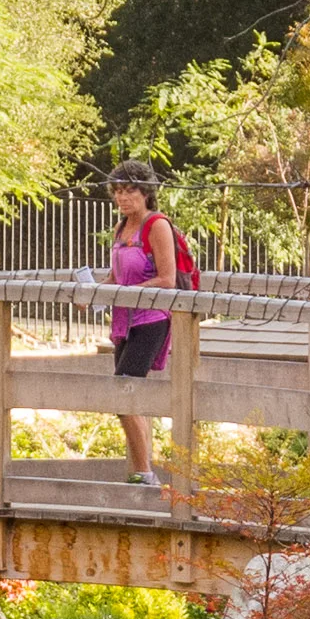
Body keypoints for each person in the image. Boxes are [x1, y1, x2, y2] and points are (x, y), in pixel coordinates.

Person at [106, 162, 180, 486]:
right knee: (129, 396)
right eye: (118, 191)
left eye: (130, 190)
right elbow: (114, 276)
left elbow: (167, 279)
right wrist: (92, 292)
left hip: (151, 320)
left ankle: (145, 472)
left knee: (124, 393)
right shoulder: (121, 229)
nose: (123, 197)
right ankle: (143, 467)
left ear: (146, 191)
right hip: (124, 321)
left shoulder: (157, 226)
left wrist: (129, 291)